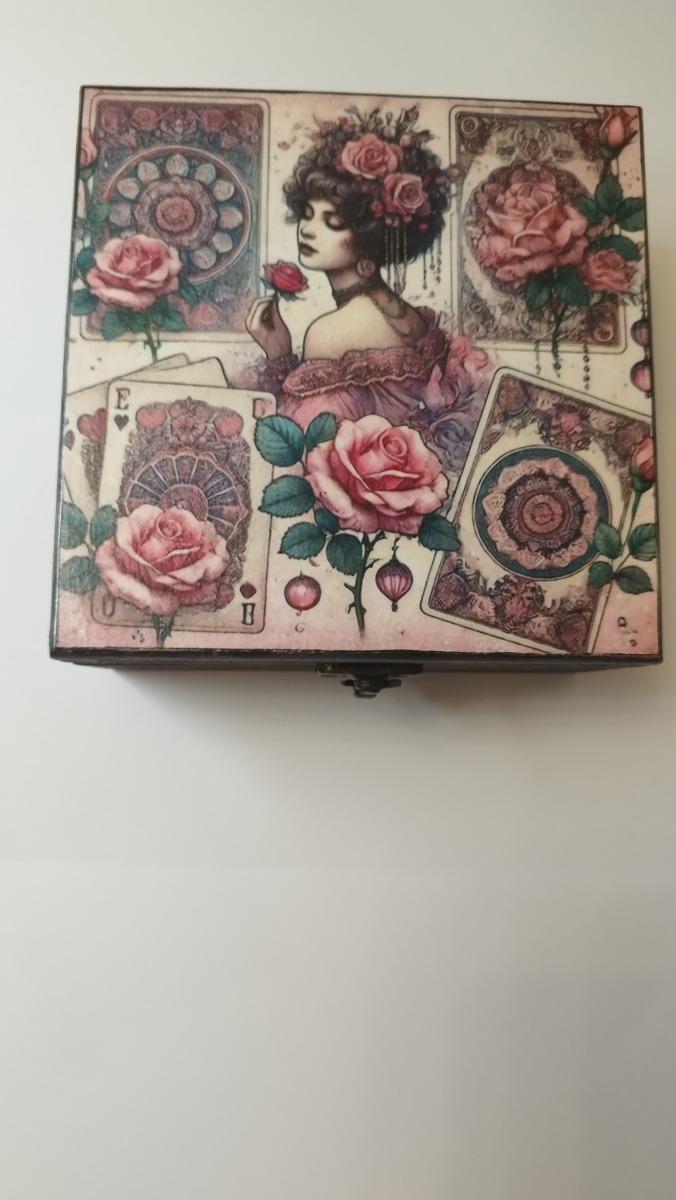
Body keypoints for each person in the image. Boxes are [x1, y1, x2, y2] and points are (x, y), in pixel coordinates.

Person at [237, 106, 489, 478]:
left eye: (331, 221)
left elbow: (301, 452)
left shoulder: (330, 331)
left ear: (369, 238)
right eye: (307, 213)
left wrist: (278, 361)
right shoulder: (408, 314)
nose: (307, 229)